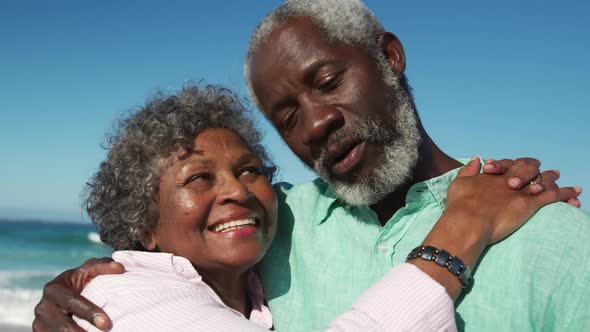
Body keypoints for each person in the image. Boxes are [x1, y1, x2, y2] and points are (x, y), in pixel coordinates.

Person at [32, 1, 589, 331]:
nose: (316, 124)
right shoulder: (275, 228)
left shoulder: (551, 236)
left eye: (328, 83)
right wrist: (79, 286)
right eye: (286, 116)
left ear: (387, 56)